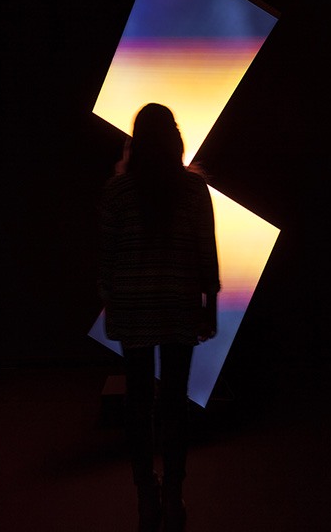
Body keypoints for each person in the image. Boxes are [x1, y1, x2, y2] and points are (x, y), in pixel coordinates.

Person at [98, 103, 220, 532]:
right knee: (173, 402)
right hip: (178, 303)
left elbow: (107, 257)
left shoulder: (118, 192)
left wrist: (110, 300)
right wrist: (210, 304)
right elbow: (206, 251)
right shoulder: (193, 190)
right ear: (174, 138)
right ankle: (173, 492)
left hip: (133, 306)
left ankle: (145, 495)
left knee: (138, 403)